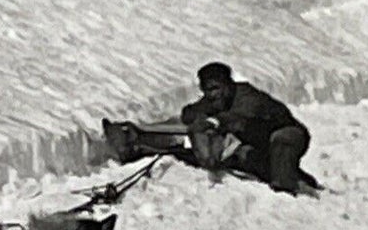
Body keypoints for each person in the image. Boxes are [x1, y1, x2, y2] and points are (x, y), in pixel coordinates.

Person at [102, 62, 315, 194]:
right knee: (246, 159)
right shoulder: (214, 100)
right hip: (257, 144)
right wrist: (199, 117)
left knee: (282, 142)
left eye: (215, 88)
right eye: (207, 90)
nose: (212, 94)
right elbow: (189, 114)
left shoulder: (247, 95)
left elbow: (241, 117)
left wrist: (217, 121)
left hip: (287, 135)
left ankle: (286, 188)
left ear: (228, 84)